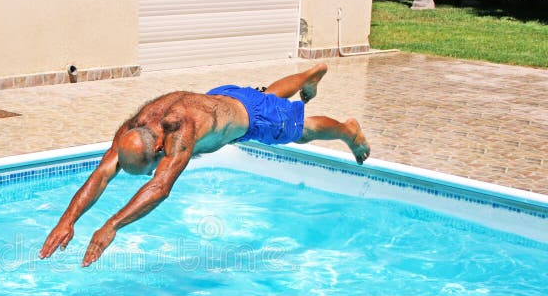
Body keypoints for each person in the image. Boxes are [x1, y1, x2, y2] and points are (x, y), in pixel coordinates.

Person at [39, 63, 370, 267]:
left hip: (249, 118)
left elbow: (159, 189)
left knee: (301, 130)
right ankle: (308, 76)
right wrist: (67, 221)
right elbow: (102, 173)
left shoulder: (178, 131)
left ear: (157, 147)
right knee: (266, 95)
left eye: (148, 166)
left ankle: (347, 130)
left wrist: (110, 225)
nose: (152, 171)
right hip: (223, 97)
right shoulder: (134, 129)